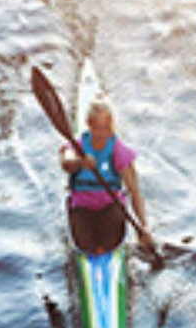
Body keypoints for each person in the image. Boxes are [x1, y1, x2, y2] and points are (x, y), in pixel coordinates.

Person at [61, 96, 151, 256]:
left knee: (109, 243)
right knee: (85, 245)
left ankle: (106, 251)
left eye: (107, 128)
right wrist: (80, 161)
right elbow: (66, 163)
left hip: (110, 208)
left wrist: (144, 226)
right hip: (82, 208)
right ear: (89, 125)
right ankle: (90, 251)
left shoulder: (118, 149)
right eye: (98, 128)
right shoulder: (78, 145)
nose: (104, 133)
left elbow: (135, 192)